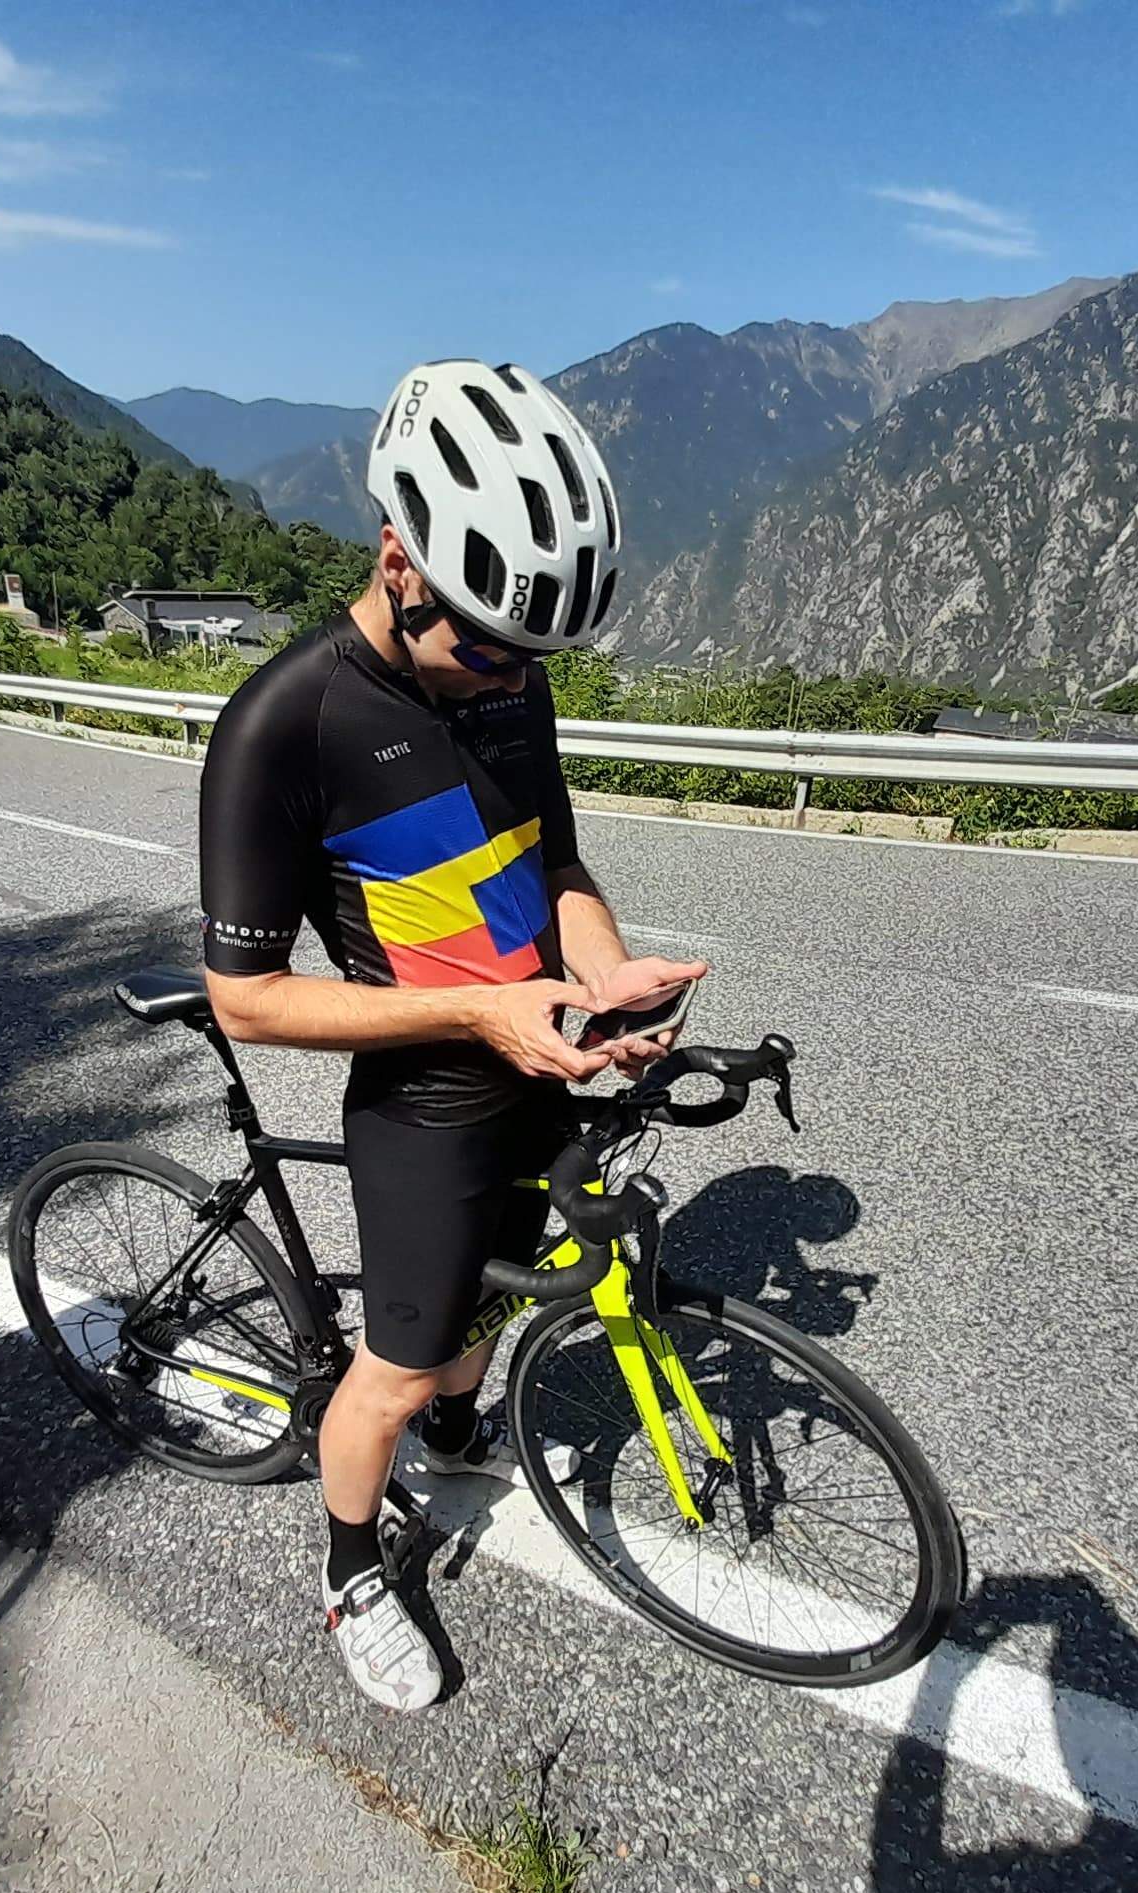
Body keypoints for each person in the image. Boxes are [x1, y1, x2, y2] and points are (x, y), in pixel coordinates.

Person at [197, 359, 704, 1712]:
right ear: (399, 561)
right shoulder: (282, 726)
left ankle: (466, 1421)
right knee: (394, 1367)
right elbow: (248, 998)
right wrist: (479, 1009)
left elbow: (557, 869)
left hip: (536, 1064)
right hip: (424, 1104)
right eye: (484, 644)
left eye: (528, 657)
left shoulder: (507, 677)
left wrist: (600, 980)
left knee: (494, 1303)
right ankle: (352, 1569)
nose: (507, 677)